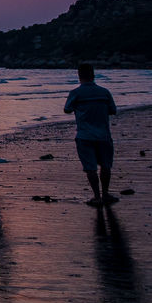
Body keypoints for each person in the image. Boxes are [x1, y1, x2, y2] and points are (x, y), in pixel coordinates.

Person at [64, 63, 119, 206]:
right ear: (93, 75)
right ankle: (105, 193)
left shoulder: (75, 93)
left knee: (90, 168)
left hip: (85, 135)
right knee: (106, 165)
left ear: (79, 76)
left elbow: (67, 109)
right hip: (103, 134)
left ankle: (97, 196)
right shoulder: (104, 92)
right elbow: (113, 110)